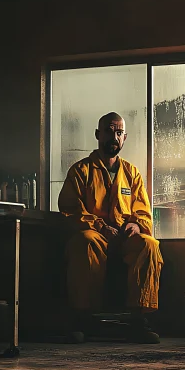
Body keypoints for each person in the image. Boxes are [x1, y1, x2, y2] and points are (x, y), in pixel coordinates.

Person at [58, 112, 163, 344]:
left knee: (149, 244)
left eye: (118, 133)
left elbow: (143, 211)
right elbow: (70, 209)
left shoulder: (132, 174)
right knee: (86, 241)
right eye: (108, 131)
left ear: (124, 138)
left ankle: (140, 319)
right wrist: (100, 226)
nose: (113, 137)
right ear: (98, 134)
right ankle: (82, 317)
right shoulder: (80, 171)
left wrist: (136, 225)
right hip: (96, 236)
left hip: (124, 239)